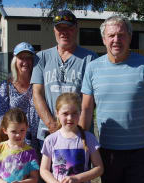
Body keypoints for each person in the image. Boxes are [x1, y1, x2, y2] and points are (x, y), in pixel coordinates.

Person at [80, 15, 144, 183]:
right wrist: (81, 143)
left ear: (130, 37)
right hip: (107, 151)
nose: (116, 40)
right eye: (111, 35)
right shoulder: (92, 68)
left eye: (121, 35)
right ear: (104, 39)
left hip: (140, 152)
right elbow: (87, 109)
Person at [31, 10, 98, 147]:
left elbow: (91, 100)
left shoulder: (90, 58)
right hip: (48, 133)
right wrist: (52, 125)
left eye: (69, 28)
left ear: (76, 30)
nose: (64, 32)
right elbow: (37, 93)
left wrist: (77, 132)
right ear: (54, 30)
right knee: (46, 168)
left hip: (79, 133)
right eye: (59, 28)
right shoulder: (41, 57)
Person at [40, 93, 103, 183]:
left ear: (80, 112)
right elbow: (44, 170)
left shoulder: (89, 138)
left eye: (74, 113)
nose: (70, 118)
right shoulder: (50, 140)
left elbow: (99, 168)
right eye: (65, 114)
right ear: (57, 113)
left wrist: (77, 178)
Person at [0, 42, 41, 156]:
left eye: (29, 58)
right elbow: (1, 118)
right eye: (21, 58)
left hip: (37, 144)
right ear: (15, 61)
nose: (25, 62)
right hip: (14, 144)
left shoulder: (39, 84)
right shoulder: (6, 86)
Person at [0, 108, 39, 183]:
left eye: (22, 130)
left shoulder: (31, 152)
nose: (18, 135)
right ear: (5, 130)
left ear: (27, 128)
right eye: (13, 131)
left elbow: (34, 178)